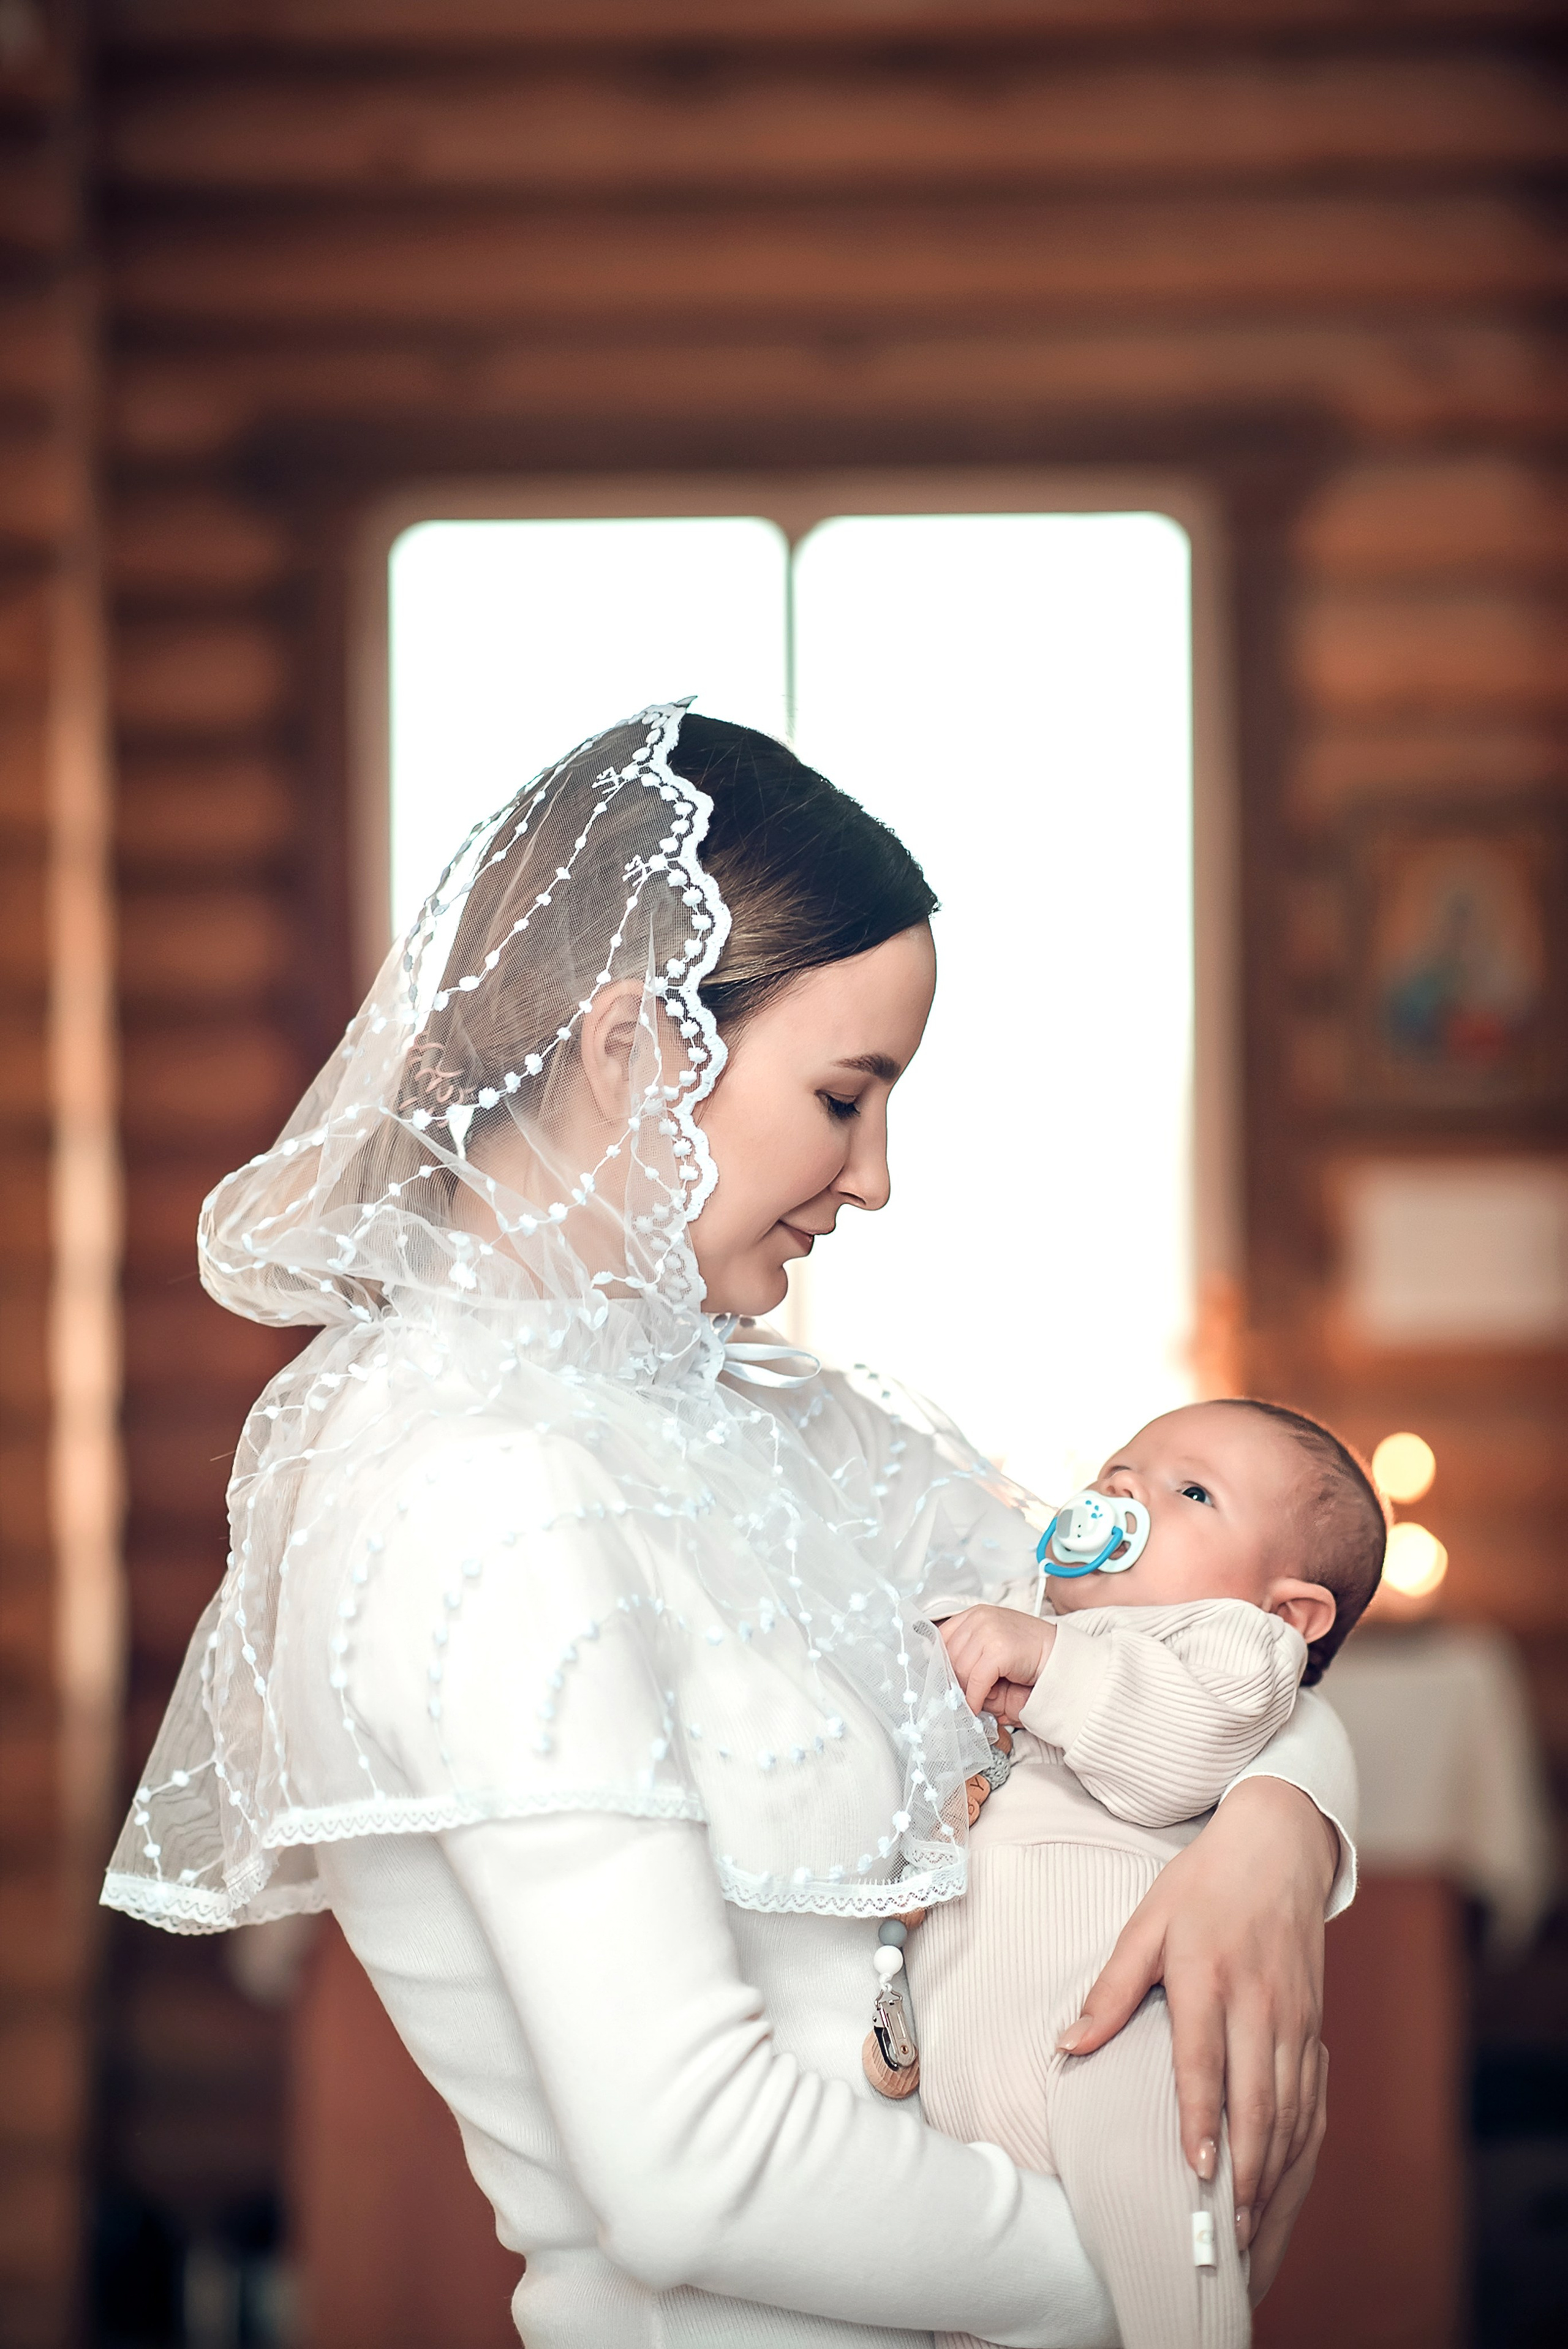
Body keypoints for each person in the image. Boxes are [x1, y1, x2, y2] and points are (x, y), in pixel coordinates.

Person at [104, 708, 1356, 2349]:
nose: (876, 1176)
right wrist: (1139, 2280)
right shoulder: (465, 1485)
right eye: (846, 1095)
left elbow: (1201, 1635)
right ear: (636, 1048)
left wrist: (1280, 1832)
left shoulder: (760, 1417)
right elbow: (688, 2170)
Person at [888, 1400, 1385, 2349]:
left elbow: (1180, 1756)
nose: (1124, 1488)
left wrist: (1050, 1661)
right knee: (977, 2297)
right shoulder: (1029, 1602)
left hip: (1123, 2021)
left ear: (1288, 1611)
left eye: (1192, 1492)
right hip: (966, 2031)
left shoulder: (1234, 1647)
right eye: (1119, 1469)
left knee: (1156, 2197)